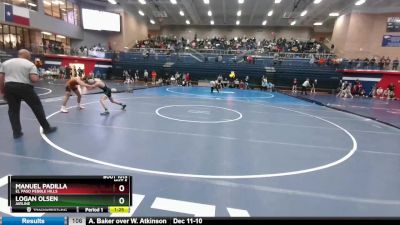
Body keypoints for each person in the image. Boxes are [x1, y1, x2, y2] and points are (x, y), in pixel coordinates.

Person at [0, 49, 57, 139]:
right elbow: (34, 79)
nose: (30, 56)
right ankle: (46, 128)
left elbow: (1, 78)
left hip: (9, 87)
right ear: (27, 55)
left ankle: (16, 133)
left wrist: (2, 91)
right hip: (24, 87)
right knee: (37, 107)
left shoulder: (6, 63)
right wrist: (39, 76)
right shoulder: (29, 64)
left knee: (13, 110)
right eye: (29, 55)